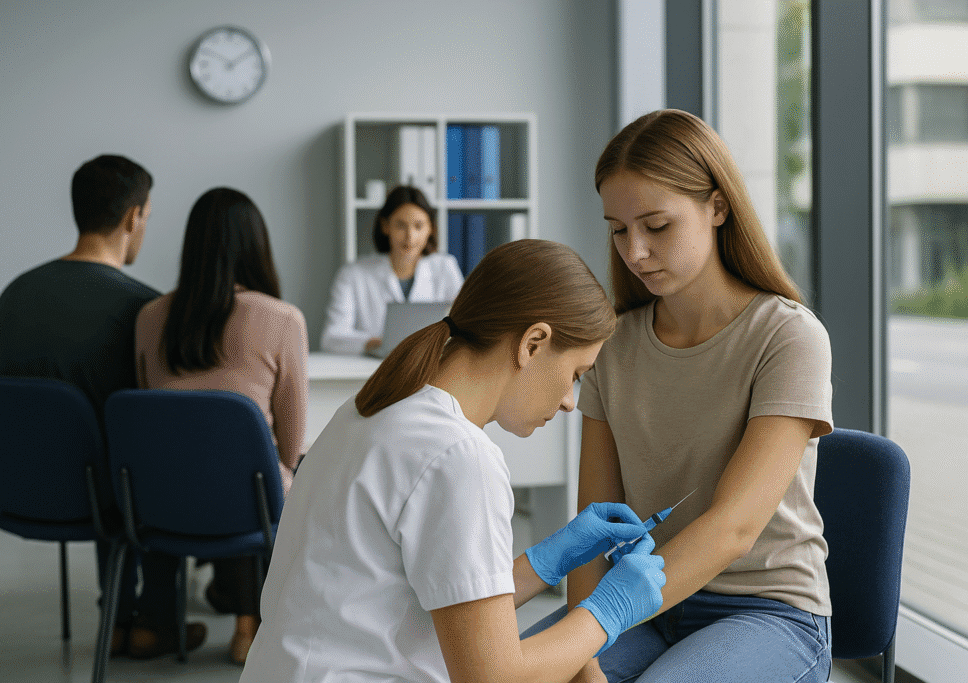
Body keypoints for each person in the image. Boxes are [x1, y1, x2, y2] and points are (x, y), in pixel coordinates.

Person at [241, 239, 667, 683]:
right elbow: (495, 678)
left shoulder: (374, 406)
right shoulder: (459, 455)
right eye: (575, 375)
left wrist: (547, 559)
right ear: (534, 343)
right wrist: (608, 612)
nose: (567, 402)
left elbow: (440, 596)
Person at [524, 109, 835, 683]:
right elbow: (594, 523)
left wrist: (598, 622)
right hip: (642, 606)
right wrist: (582, 658)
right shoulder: (611, 347)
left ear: (717, 207)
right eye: (618, 230)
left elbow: (733, 527)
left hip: (766, 611)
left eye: (657, 226)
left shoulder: (788, 336)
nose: (635, 251)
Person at [0, 154, 205, 658]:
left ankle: (118, 613)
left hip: (18, 489)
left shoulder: (13, 296)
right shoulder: (147, 310)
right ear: (133, 217)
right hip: (108, 494)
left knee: (109, 457)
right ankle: (155, 620)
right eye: (147, 217)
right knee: (159, 456)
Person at [134, 186, 308, 665]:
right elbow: (290, 447)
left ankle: (154, 621)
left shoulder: (149, 317)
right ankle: (248, 626)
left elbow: (148, 416)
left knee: (184, 464)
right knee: (272, 476)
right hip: (245, 501)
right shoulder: (282, 319)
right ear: (256, 245)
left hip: (160, 503)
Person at [320, 185, 463, 354]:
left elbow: (463, 325)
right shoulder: (353, 274)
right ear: (386, 226)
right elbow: (331, 337)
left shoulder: (445, 267)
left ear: (430, 228)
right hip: (373, 369)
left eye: (418, 226)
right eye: (401, 226)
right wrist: (377, 344)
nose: (410, 236)